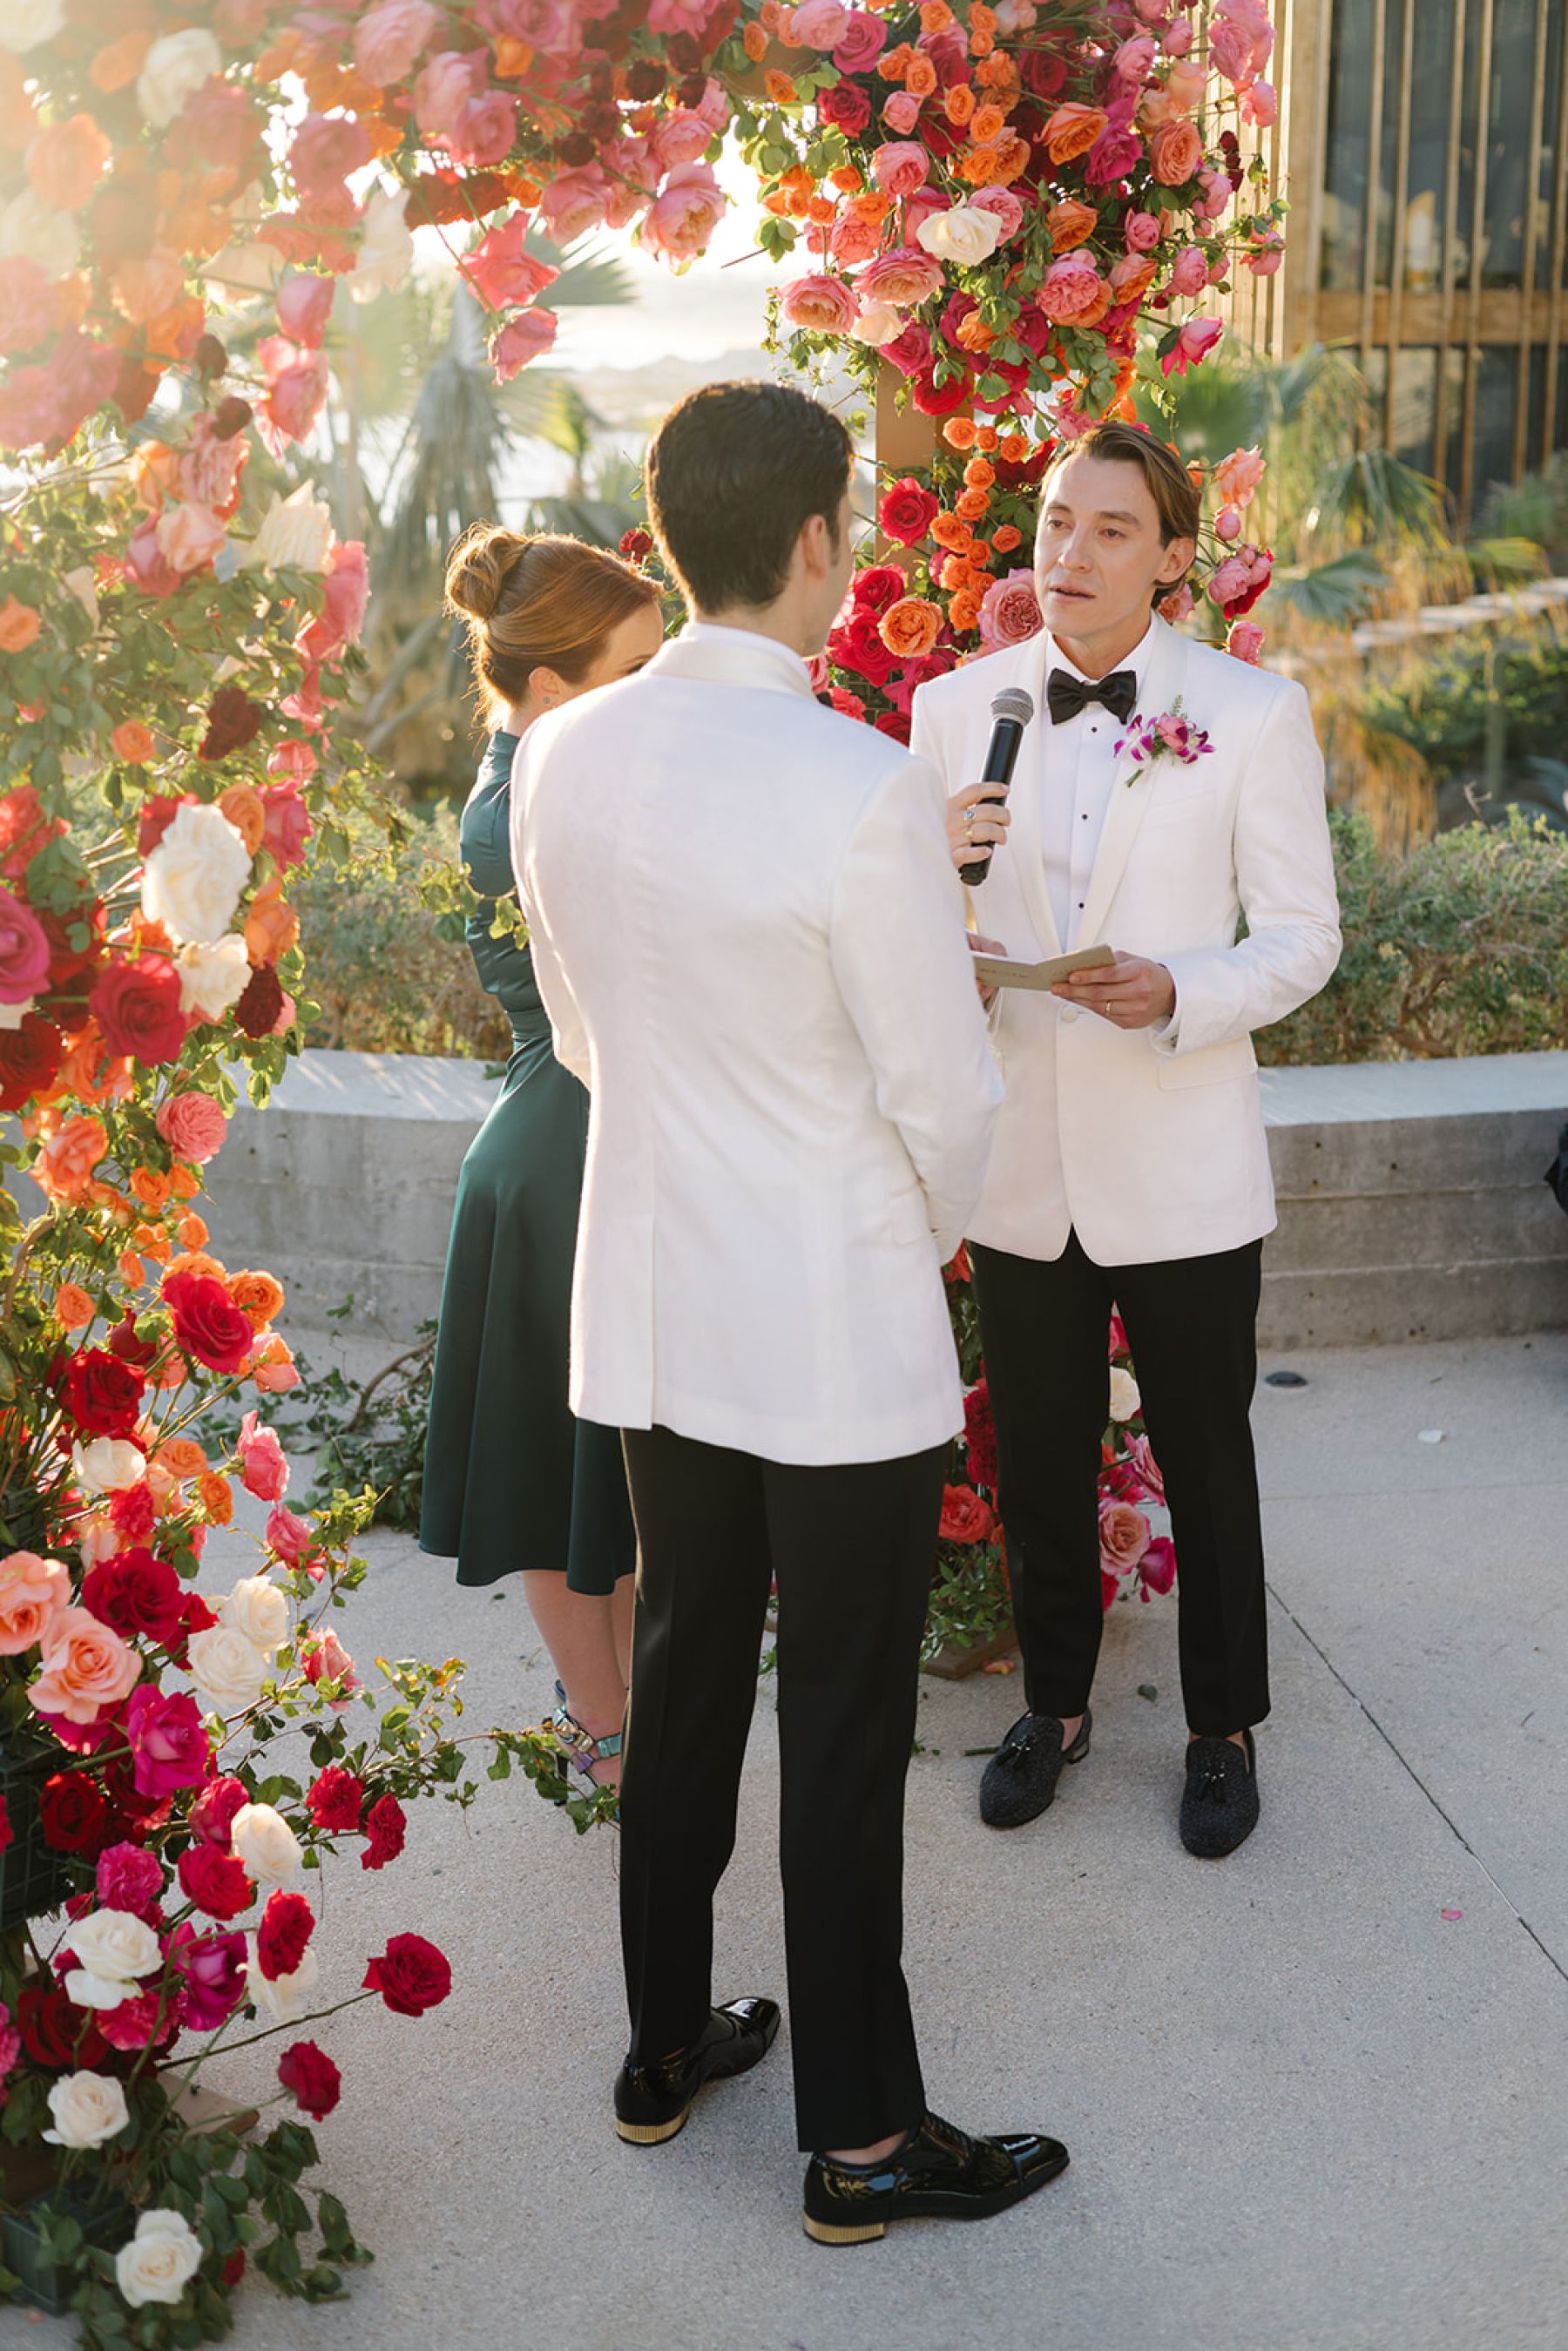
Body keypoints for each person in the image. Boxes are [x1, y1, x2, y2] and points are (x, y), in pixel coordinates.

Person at [513, 380, 1069, 2243]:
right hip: (830, 1330)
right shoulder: (859, 788)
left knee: (681, 1685)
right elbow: (945, 1096)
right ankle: (858, 2142)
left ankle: (661, 2052)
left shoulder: (564, 753)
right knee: (835, 1723)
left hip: (658, 1304)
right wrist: (896, 1238)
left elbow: (585, 1040)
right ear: (818, 542)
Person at [910, 418, 1342, 1859]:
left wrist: (1180, 991)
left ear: (1170, 560)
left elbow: (1301, 941)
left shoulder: (1253, 713)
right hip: (1022, 1164)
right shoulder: (954, 708)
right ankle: (1054, 1704)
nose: (1071, 553)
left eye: (1108, 530)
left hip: (1182, 1159)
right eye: (1052, 522)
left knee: (1209, 1455)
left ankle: (1222, 1730)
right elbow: (905, 934)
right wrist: (933, 898)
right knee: (1035, 1457)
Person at [419, 528, 664, 1790]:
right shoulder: (526, 805)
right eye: (638, 667)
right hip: (560, 1157)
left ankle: (628, 1720)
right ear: (559, 688)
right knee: (554, 1478)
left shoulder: (554, 766)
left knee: (600, 1483)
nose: (660, 691)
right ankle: (610, 1728)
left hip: (573, 1143)